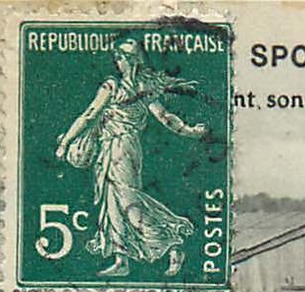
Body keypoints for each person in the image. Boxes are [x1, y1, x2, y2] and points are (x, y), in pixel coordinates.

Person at [56, 38, 207, 278]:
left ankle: (171, 243)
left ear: (130, 61)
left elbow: (88, 116)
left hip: (119, 149)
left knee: (127, 202)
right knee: (113, 202)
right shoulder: (143, 87)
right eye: (117, 58)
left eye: (120, 58)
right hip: (120, 148)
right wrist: (189, 130)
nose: (117, 62)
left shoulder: (112, 87)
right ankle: (121, 258)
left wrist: (66, 142)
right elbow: (165, 117)